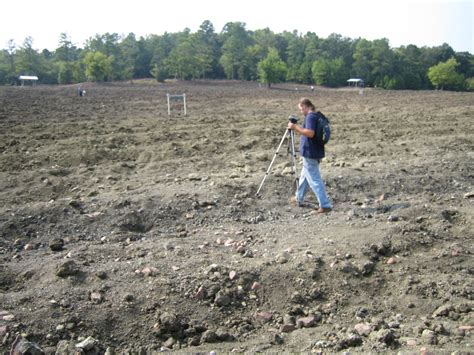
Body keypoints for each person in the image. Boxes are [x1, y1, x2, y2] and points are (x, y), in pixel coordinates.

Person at [288, 98, 332, 213]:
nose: (301, 111)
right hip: (314, 151)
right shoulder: (316, 115)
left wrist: (295, 127)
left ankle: (325, 204)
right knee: (304, 176)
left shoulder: (311, 116)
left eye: (301, 108)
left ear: (305, 106)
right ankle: (299, 198)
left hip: (311, 152)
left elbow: (310, 133)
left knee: (314, 179)